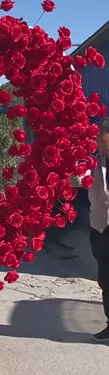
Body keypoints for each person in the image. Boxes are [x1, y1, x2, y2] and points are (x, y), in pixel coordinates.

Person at [84, 117, 109, 339]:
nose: (96, 139)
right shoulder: (95, 162)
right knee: (106, 278)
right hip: (101, 227)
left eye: (99, 134)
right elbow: (77, 180)